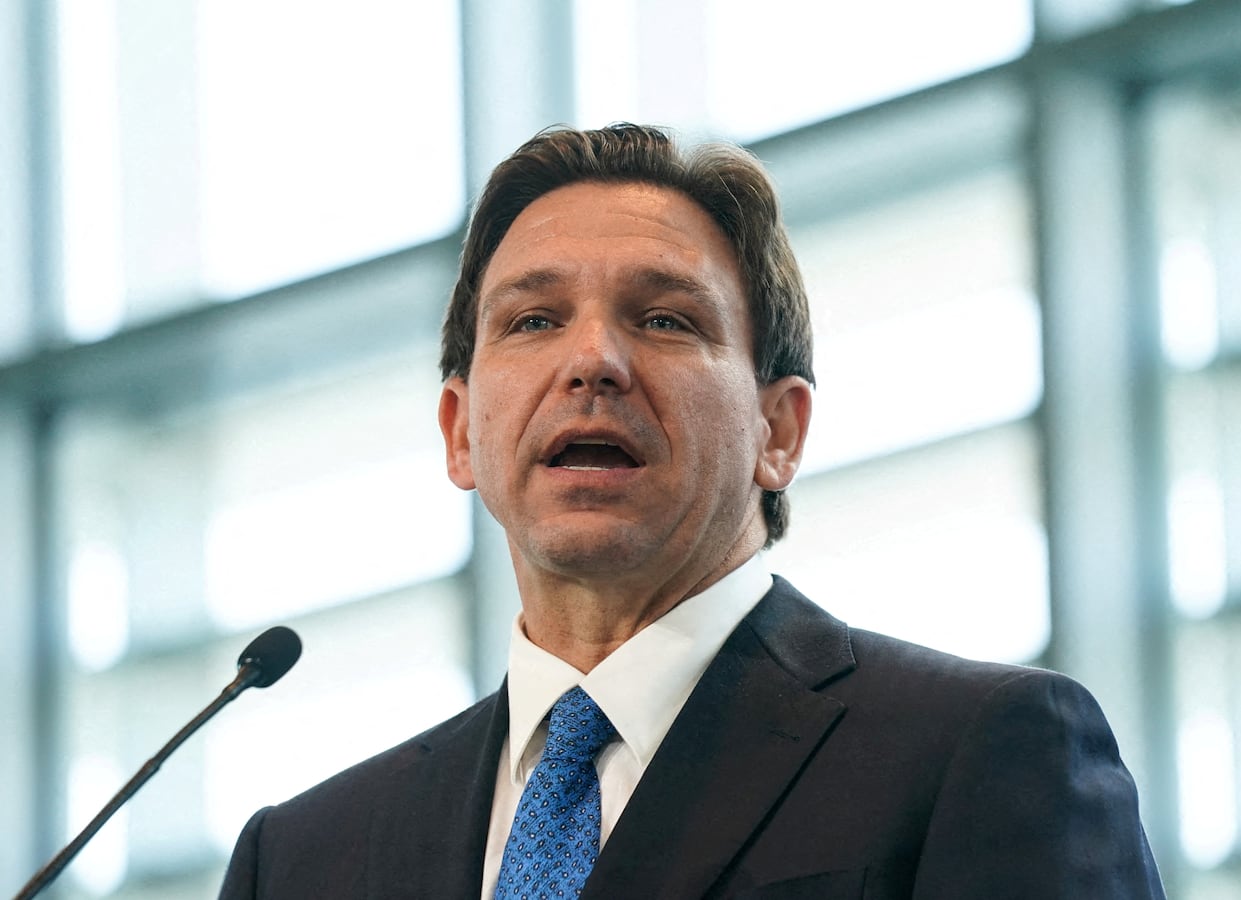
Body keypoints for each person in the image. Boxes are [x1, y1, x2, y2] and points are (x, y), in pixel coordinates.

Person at [219, 123, 1165, 899]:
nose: (592, 361)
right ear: (460, 432)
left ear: (777, 430)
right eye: (533, 321)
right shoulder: (303, 861)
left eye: (666, 319)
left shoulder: (980, 751)